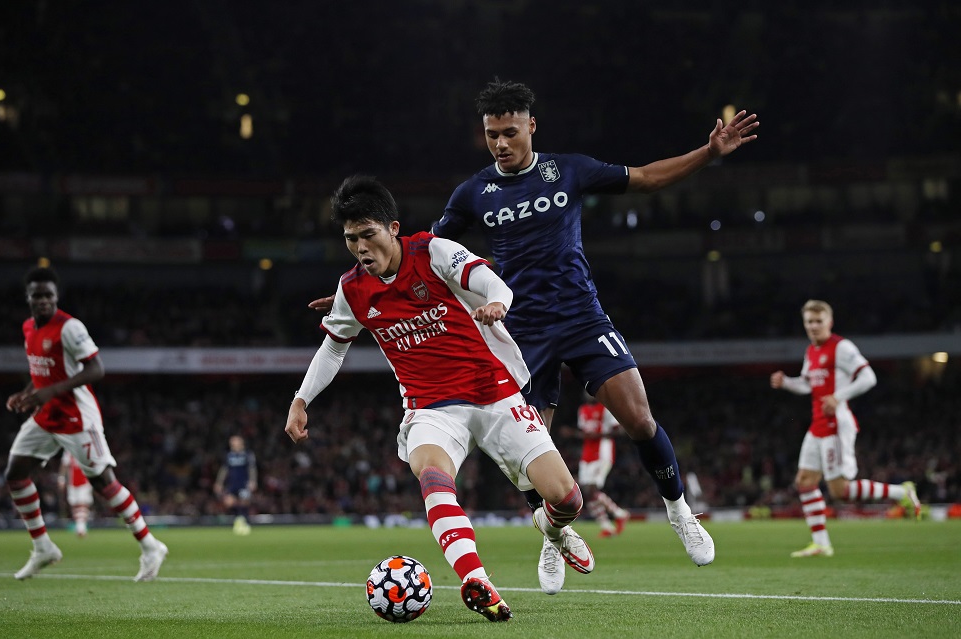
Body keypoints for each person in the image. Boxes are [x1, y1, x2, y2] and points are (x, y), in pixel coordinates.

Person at [312, 79, 757, 592]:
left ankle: (679, 512)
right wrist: (360, 287)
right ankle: (554, 534)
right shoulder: (473, 192)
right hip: (519, 330)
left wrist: (709, 152)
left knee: (639, 418)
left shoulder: (568, 170)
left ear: (531, 126)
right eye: (491, 135)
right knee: (528, 451)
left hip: (582, 317)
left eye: (509, 132)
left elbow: (646, 178)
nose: (500, 143)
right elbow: (419, 252)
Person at [287, 175, 595, 621]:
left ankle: (552, 529)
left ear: (393, 228)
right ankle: (477, 579)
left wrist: (498, 304)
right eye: (351, 239)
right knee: (432, 474)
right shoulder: (352, 289)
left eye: (368, 235)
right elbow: (333, 348)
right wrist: (301, 400)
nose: (360, 248)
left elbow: (495, 285)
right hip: (430, 408)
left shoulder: (433, 252)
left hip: (494, 394)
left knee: (567, 500)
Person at [5, 266, 168, 581]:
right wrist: (26, 394)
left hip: (76, 416)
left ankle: (150, 546)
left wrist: (51, 391)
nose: (43, 301)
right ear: (28, 297)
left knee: (104, 483)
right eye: (37, 295)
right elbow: (42, 372)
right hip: (46, 416)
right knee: (15, 473)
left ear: (56, 297)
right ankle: (43, 548)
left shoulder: (70, 327)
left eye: (48, 295)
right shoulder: (28, 328)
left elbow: (96, 369)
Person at [770, 299, 921, 557]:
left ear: (829, 322)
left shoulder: (841, 347)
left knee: (839, 490)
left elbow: (868, 377)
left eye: (818, 321)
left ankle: (901, 492)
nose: (813, 326)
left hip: (836, 424)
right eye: (809, 322)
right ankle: (821, 544)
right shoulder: (811, 351)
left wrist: (839, 396)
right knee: (805, 480)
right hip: (818, 424)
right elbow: (807, 385)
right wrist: (786, 382)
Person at [568, 394, 631, 538]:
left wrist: (597, 435)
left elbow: (619, 430)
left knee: (592, 489)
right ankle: (609, 524)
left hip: (603, 453)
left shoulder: (605, 409)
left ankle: (618, 514)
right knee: (586, 491)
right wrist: (573, 434)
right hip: (587, 454)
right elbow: (585, 433)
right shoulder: (582, 410)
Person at [213, 434, 257, 535]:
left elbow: (252, 468)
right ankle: (238, 519)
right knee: (229, 502)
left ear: (241, 443)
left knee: (244, 502)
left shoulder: (247, 455)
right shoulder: (229, 456)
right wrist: (219, 483)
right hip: (232, 484)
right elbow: (224, 470)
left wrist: (253, 481)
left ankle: (244, 522)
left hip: (244, 484)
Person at [58, 450, 93, 537]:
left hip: (85, 482)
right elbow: (64, 464)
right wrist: (61, 478)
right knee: (75, 505)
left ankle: (81, 527)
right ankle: (79, 525)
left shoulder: (85, 449)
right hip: (72, 483)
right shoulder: (68, 451)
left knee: (83, 504)